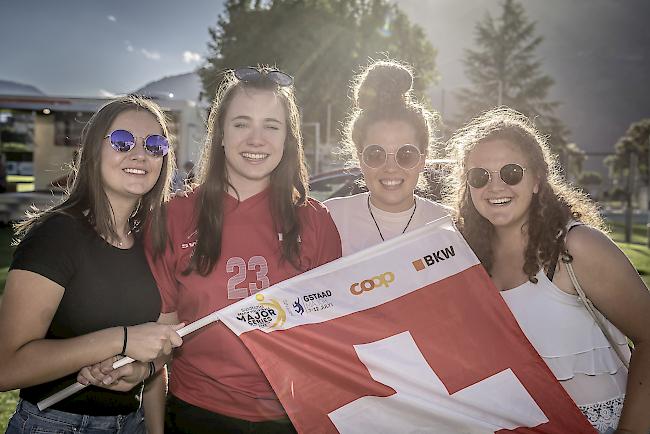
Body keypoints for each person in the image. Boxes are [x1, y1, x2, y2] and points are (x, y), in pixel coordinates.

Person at [144, 66, 342, 434]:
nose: (256, 139)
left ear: (288, 139)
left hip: (292, 418)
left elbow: (331, 339)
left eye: (271, 125)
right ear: (219, 133)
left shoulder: (315, 222)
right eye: (241, 124)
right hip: (198, 414)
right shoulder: (173, 217)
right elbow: (158, 346)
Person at [444, 107, 650, 433]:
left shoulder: (576, 247)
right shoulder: (466, 258)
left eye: (511, 173)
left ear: (538, 179)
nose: (495, 187)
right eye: (479, 176)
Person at [0, 95, 185, 434]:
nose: (140, 154)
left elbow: (157, 352)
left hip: (133, 424)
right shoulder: (57, 235)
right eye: (122, 141)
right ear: (93, 151)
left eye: (155, 144)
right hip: (55, 424)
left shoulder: (153, 242)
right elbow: (6, 366)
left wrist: (142, 371)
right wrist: (120, 340)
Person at [324, 60, 450, 255]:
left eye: (406, 155)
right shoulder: (327, 220)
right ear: (359, 157)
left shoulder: (451, 227)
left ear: (423, 159)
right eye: (375, 154)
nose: (390, 168)